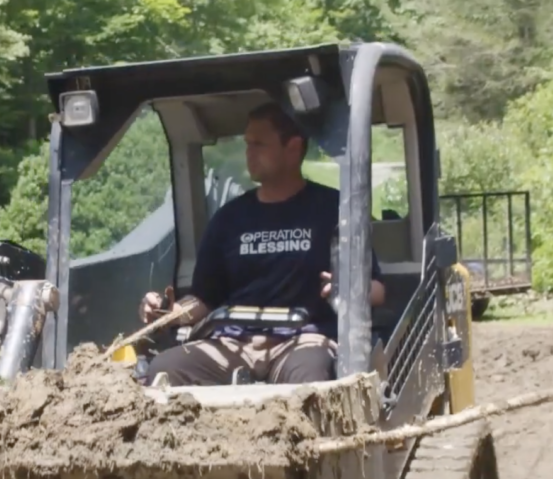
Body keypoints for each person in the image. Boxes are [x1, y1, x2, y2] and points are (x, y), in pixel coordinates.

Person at [139, 102, 386, 386]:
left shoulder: (334, 209)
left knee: (309, 379)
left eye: (259, 144)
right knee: (165, 369)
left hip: (305, 339)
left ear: (293, 148)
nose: (249, 153)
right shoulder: (229, 218)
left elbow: (378, 291)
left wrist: (351, 289)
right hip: (232, 341)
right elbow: (204, 299)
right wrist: (169, 314)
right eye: (247, 144)